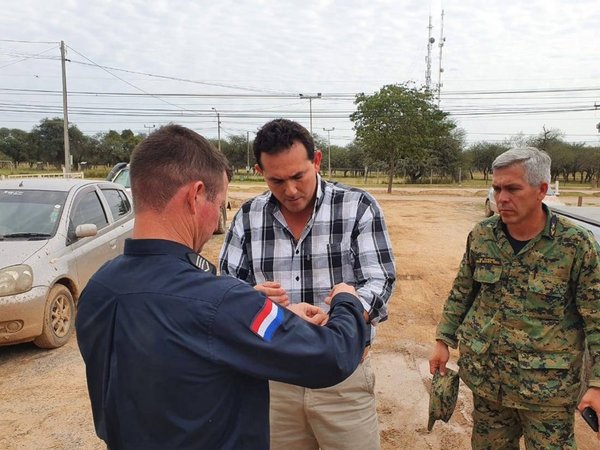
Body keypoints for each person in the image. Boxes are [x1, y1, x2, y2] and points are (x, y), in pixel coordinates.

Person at [75, 124, 370, 450]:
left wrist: (263, 311)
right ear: (195, 195)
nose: (217, 219)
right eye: (219, 206)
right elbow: (332, 356)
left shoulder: (98, 289)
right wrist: (347, 301)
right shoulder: (224, 303)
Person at [219, 118, 396, 450]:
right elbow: (226, 291)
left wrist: (343, 314)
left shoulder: (357, 206)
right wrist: (256, 302)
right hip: (274, 380)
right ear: (260, 172)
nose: (290, 190)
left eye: (298, 176)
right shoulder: (247, 217)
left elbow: (380, 279)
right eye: (277, 180)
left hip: (343, 378)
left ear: (316, 161)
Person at [429, 147, 600, 449]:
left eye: (512, 188)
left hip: (547, 392)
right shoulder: (482, 236)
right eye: (496, 188)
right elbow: (462, 293)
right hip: (489, 384)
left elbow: (596, 319)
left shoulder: (575, 245)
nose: (501, 198)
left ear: (541, 190)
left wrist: (598, 384)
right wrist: (443, 341)